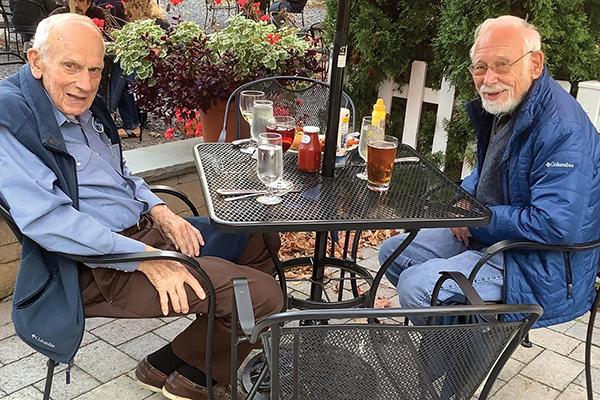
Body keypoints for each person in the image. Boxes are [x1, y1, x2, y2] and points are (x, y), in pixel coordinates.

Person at [0, 13, 283, 400]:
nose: (85, 84)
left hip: (142, 231)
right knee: (264, 295)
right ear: (36, 61)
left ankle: (171, 362)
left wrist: (161, 212)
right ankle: (195, 379)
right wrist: (147, 256)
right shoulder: (10, 120)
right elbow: (50, 222)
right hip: (95, 266)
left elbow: (120, 173)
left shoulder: (82, 106)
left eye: (95, 70)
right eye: (70, 66)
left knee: (256, 235)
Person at [378, 15, 600, 327]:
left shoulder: (561, 129)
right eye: (480, 67)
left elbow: (556, 224)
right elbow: (488, 173)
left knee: (418, 285)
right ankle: (467, 345)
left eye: (502, 64)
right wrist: (464, 201)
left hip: (542, 265)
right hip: (498, 235)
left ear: (535, 64)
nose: (489, 78)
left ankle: (457, 369)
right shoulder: (510, 105)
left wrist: (478, 223)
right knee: (393, 252)